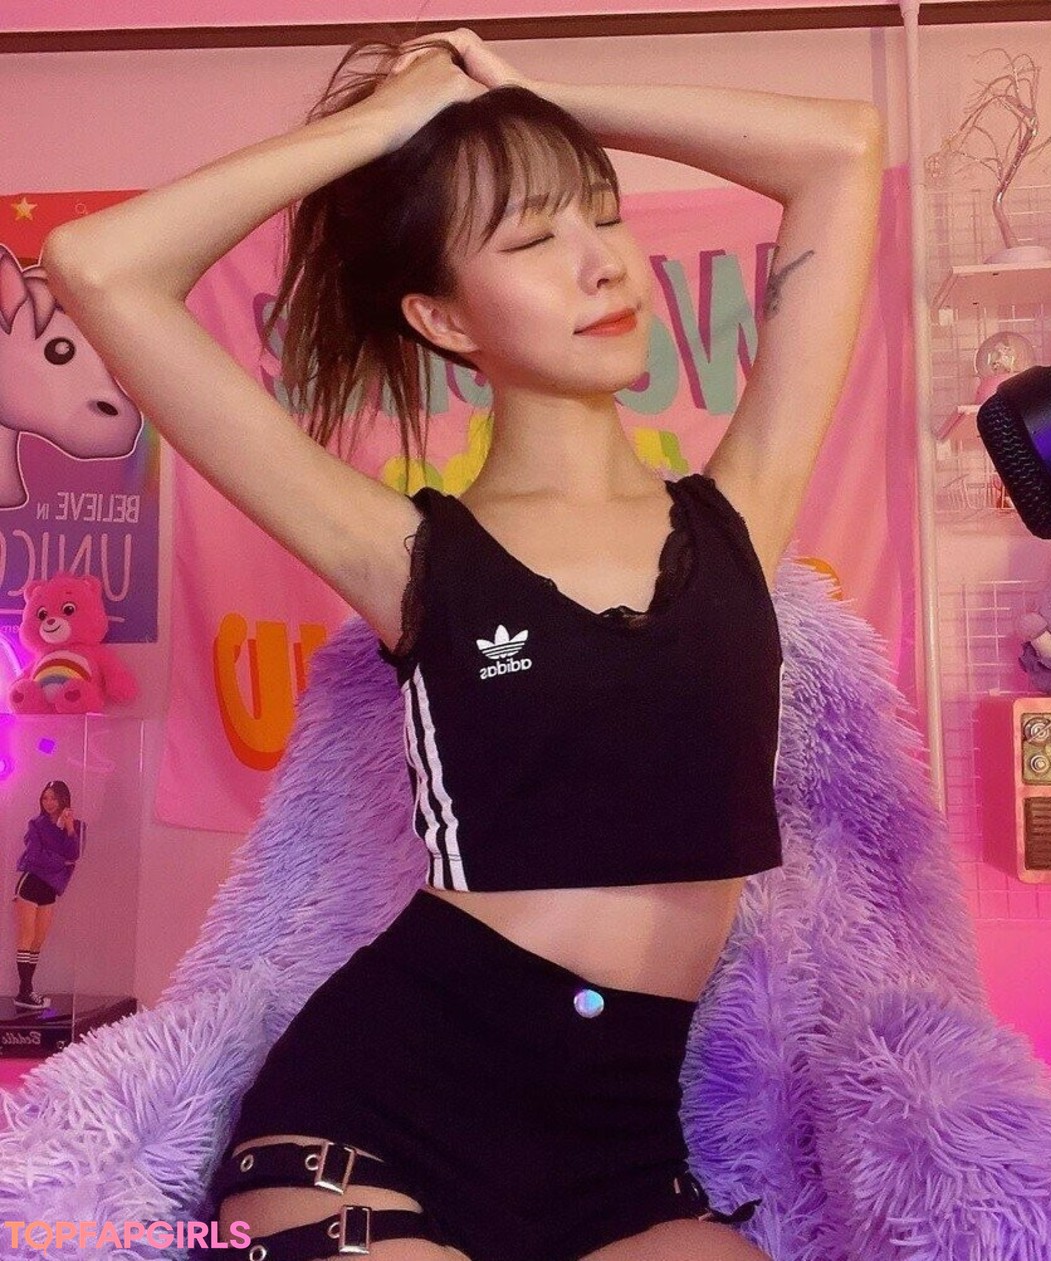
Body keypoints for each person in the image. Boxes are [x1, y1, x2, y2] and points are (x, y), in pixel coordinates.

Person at [40, 28, 883, 1261]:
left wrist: (532, 100)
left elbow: (842, 151)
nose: (602, 263)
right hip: (376, 1124)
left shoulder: (738, 517)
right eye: (534, 241)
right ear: (440, 316)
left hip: (621, 1156)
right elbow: (97, 266)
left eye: (604, 216)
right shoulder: (408, 553)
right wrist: (381, 130)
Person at [12, 780, 83, 1011]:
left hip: (49, 888)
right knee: (26, 937)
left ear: (63, 799)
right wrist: (61, 862)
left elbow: (74, 855)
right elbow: (34, 856)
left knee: (38, 940)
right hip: (30, 884)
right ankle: (24, 991)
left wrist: (69, 828)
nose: (49, 802)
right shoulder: (36, 824)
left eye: (53, 798)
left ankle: (27, 991)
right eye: (45, 798)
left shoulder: (75, 826)